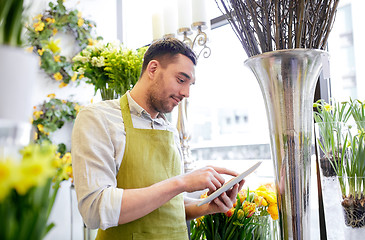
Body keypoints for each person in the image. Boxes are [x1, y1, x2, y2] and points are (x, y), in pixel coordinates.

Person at [72, 38, 245, 240]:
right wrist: (181, 182)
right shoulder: (99, 117)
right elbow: (95, 209)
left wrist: (207, 206)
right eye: (181, 80)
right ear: (153, 69)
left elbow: (169, 205)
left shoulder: (169, 130)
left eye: (190, 84)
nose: (186, 93)